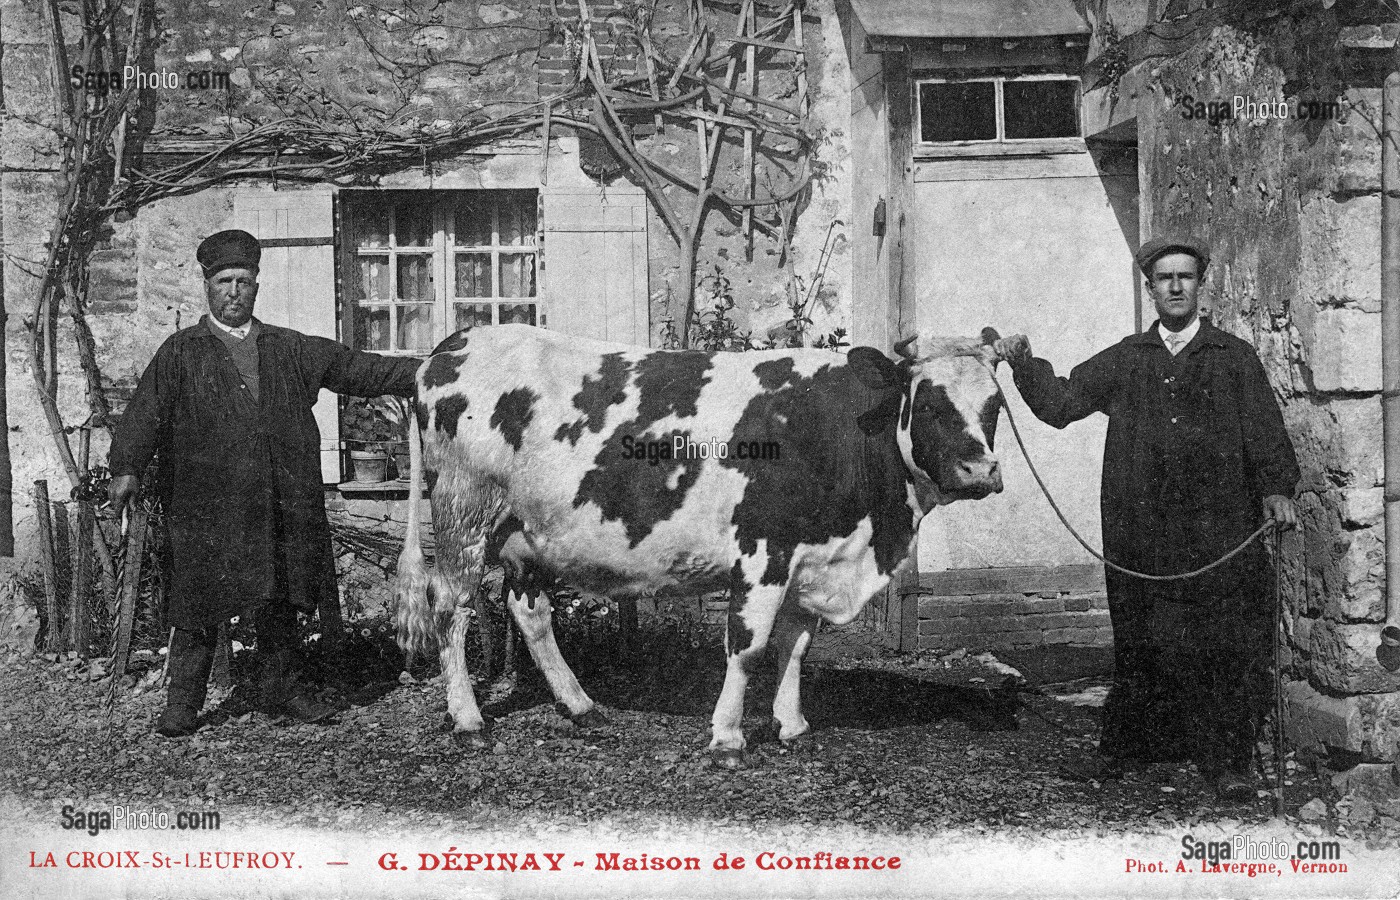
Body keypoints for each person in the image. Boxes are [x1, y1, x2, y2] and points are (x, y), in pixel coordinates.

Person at [994, 236, 1300, 800]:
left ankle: (1229, 762)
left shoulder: (1233, 358)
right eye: (1165, 278)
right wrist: (1023, 364)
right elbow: (1061, 404)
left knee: (1222, 645)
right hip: (1140, 533)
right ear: (1151, 288)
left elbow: (1265, 432)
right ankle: (1122, 749)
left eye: (1186, 277)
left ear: (1200, 285)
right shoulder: (1128, 359)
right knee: (1139, 641)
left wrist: (1278, 490)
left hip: (1218, 531)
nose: (1176, 287)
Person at [108, 229, 421, 737]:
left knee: (280, 596)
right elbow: (144, 414)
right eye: (224, 282)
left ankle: (282, 688)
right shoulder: (181, 352)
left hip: (279, 499)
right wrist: (127, 468)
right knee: (198, 602)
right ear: (207, 287)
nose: (234, 291)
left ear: (256, 286)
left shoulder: (287, 347)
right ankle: (182, 704)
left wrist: (432, 371)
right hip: (206, 505)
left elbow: (357, 370)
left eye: (243, 281)